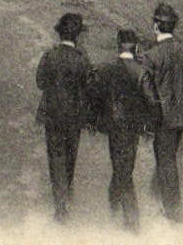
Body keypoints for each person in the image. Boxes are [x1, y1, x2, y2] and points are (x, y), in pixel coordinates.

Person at [94, 28, 158, 230]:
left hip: (113, 127)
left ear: (117, 46)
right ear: (136, 48)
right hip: (133, 129)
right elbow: (151, 101)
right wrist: (148, 126)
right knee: (125, 169)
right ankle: (131, 220)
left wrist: (97, 120)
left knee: (120, 167)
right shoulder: (141, 72)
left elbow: (96, 97)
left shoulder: (106, 70)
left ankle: (114, 204)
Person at [35, 12, 97, 221]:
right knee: (70, 155)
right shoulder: (82, 59)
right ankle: (66, 194)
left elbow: (40, 82)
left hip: (52, 115)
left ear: (59, 34)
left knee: (55, 157)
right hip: (74, 116)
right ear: (77, 36)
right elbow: (90, 86)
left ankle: (60, 203)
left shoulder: (50, 56)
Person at [142, 2, 183, 222]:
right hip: (181, 115)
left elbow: (147, 92)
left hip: (161, 117)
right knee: (169, 156)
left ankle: (173, 211)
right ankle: (158, 194)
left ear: (156, 27)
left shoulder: (151, 56)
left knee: (166, 161)